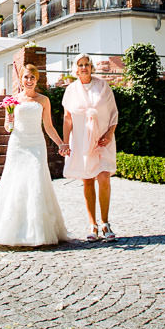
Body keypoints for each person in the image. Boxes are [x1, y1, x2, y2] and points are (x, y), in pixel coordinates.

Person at [0, 65, 69, 248]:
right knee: (14, 182)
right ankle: (12, 229)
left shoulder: (44, 100)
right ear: (21, 79)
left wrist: (61, 143)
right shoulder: (12, 100)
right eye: (26, 77)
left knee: (37, 180)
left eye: (32, 77)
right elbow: (8, 128)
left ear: (36, 80)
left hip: (37, 144)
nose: (29, 81)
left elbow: (48, 126)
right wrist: (10, 121)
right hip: (18, 144)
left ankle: (37, 230)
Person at [61, 54, 119, 242]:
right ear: (75, 69)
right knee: (87, 180)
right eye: (80, 65)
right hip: (80, 140)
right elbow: (68, 118)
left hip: (102, 139)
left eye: (87, 64)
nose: (84, 68)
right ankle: (92, 224)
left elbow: (113, 113)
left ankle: (105, 223)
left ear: (91, 67)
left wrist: (109, 133)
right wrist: (64, 141)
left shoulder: (103, 86)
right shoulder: (70, 90)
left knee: (103, 177)